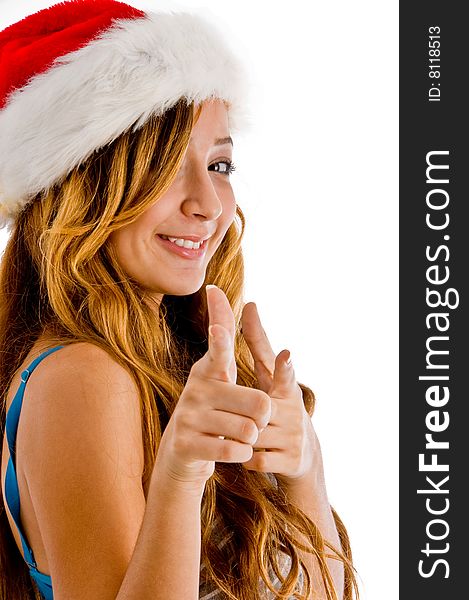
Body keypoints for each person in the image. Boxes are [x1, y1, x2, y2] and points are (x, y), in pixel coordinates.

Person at [0, 1, 359, 599]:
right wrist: (181, 474)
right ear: (82, 184)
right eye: (167, 167)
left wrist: (303, 469)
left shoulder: (170, 366)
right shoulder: (82, 376)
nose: (210, 204)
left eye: (219, 163)